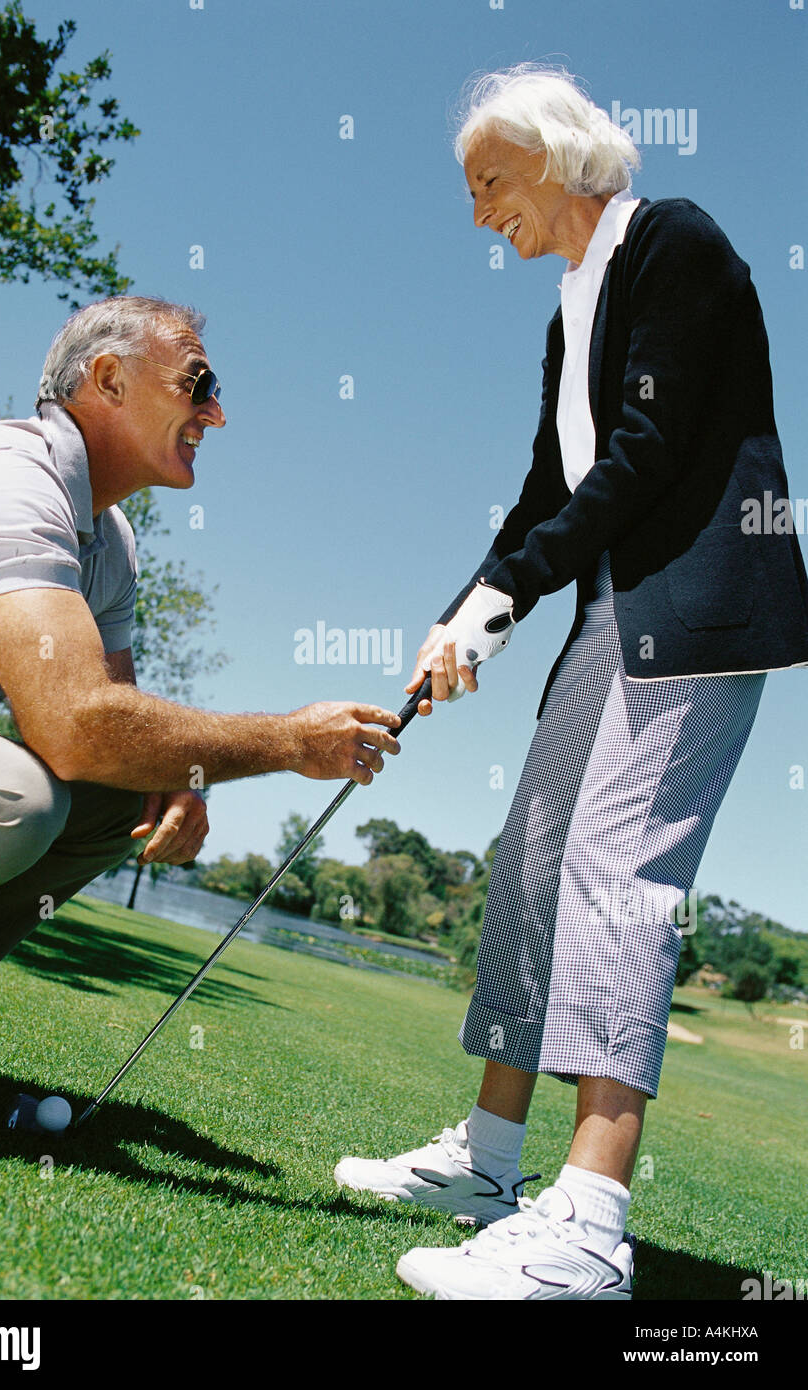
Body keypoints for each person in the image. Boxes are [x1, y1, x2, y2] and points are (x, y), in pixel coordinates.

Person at [335, 64, 808, 1301]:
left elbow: (648, 453)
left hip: (694, 611)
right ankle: (489, 1161)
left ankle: (590, 1225)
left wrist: (506, 594)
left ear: (555, 155)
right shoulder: (569, 310)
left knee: (615, 875)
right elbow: (552, 488)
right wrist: (469, 608)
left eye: (489, 179)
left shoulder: (673, 243)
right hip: (606, 612)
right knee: (535, 861)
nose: (480, 208)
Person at [0, 295, 401, 1079]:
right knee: (9, 796)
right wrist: (291, 742)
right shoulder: (9, 480)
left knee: (112, 796)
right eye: (198, 385)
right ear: (109, 380)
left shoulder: (111, 540)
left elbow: (110, 726)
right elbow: (74, 727)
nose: (216, 414)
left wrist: (172, 778)